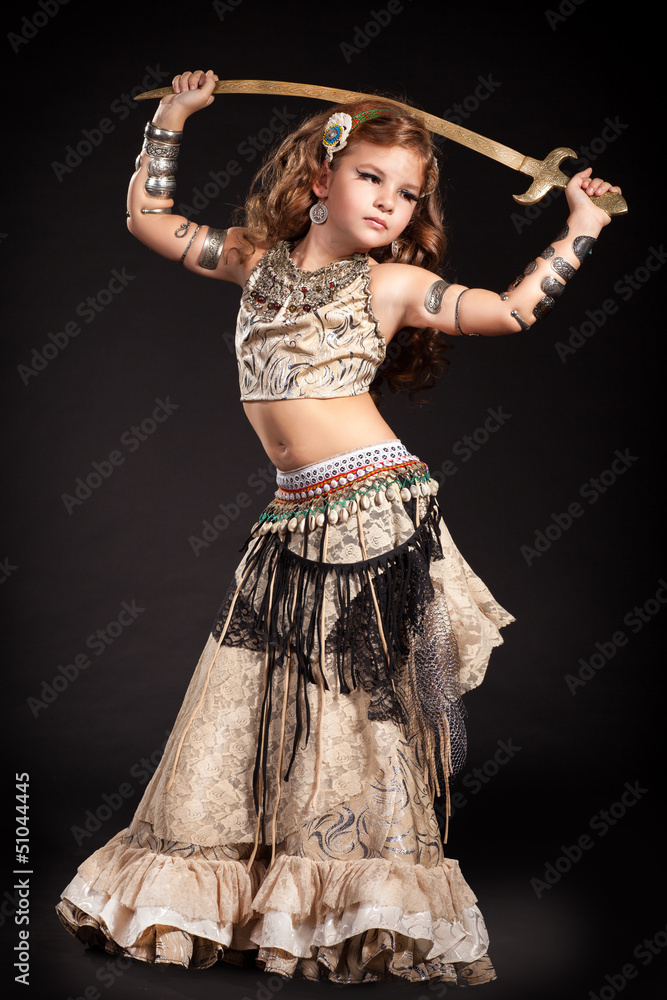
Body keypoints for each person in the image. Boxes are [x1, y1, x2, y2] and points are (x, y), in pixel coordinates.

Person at [56, 69, 621, 986]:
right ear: (320, 177)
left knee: (357, 712)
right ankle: (265, 898)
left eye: (408, 194)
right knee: (254, 696)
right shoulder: (253, 261)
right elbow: (148, 219)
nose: (391, 203)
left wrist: (579, 229)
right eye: (371, 178)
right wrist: (171, 120)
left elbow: (507, 311)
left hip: (373, 510)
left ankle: (355, 907)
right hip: (293, 516)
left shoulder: (392, 284)